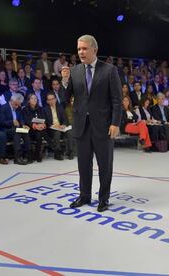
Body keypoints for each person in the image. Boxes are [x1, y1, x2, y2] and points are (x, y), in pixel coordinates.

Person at [63, 35, 122, 212]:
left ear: (94, 50)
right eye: (79, 49)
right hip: (82, 125)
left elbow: (117, 100)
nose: (80, 52)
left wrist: (115, 123)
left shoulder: (109, 70)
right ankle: (84, 196)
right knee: (83, 164)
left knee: (105, 164)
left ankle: (104, 198)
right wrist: (65, 82)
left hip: (104, 126)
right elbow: (66, 99)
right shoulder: (74, 71)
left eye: (84, 48)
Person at [0, 94, 31, 165]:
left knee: (26, 132)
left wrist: (23, 125)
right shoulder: (4, 108)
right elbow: (2, 122)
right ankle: (17, 157)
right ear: (13, 101)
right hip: (7, 129)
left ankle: (27, 155)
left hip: (17, 128)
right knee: (17, 133)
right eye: (17, 103)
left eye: (19, 104)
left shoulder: (18, 108)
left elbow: (21, 118)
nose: (18, 106)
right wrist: (12, 122)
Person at [44, 92, 74, 160]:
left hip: (61, 127)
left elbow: (65, 118)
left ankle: (70, 151)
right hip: (51, 129)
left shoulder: (60, 107)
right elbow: (46, 122)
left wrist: (63, 124)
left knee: (69, 132)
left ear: (55, 99)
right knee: (57, 133)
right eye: (49, 100)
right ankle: (57, 152)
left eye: (53, 99)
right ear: (47, 101)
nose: (51, 101)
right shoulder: (45, 109)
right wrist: (53, 125)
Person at [22, 93, 48, 162]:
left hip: (39, 128)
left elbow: (43, 119)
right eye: (32, 98)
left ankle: (37, 154)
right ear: (28, 100)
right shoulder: (25, 109)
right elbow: (27, 120)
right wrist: (35, 125)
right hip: (30, 129)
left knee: (39, 135)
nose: (34, 100)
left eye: (35, 98)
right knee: (30, 135)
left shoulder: (40, 108)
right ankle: (30, 154)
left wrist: (42, 125)